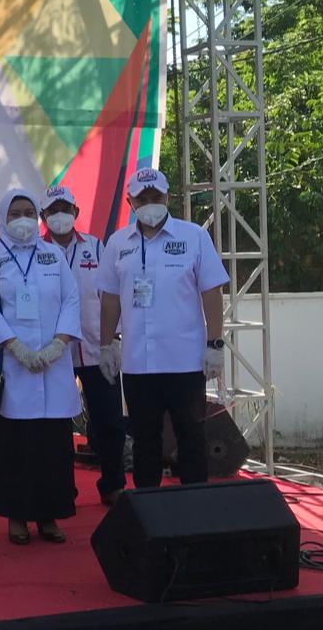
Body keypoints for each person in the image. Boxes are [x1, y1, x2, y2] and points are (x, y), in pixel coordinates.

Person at [97, 168, 228, 489]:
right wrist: (106, 345)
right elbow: (110, 298)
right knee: (145, 442)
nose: (150, 204)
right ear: (130, 202)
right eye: (142, 199)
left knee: (191, 437)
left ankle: (195, 506)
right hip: (138, 363)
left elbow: (212, 291)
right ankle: (148, 509)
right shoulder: (117, 243)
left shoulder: (193, 236)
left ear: (168, 197)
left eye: (156, 197)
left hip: (185, 362)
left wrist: (215, 344)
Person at [0, 189, 83, 545]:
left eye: (28, 212)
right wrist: (15, 346)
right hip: (12, 366)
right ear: (3, 217)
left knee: (53, 446)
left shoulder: (52, 254)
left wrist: (59, 344)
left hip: (53, 364)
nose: (23, 219)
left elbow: (71, 299)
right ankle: (16, 517)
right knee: (15, 445)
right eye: (15, 213)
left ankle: (50, 516)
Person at [39, 185, 127, 505]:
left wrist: (113, 339)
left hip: (95, 348)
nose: (60, 215)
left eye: (66, 209)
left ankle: (113, 485)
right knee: (57, 426)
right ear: (43, 216)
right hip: (54, 352)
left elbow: (112, 294)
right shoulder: (35, 251)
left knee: (110, 421)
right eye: (53, 210)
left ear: (76, 212)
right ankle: (62, 491)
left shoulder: (96, 247)